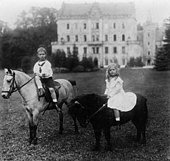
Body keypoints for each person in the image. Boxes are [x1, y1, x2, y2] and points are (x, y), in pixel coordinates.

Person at [33, 46, 60, 112]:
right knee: (36, 78)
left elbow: (48, 72)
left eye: (43, 54)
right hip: (40, 79)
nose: (42, 56)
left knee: (51, 89)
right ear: (38, 55)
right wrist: (36, 74)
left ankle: (55, 102)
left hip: (48, 79)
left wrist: (43, 74)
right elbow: (35, 71)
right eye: (40, 54)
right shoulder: (36, 64)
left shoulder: (47, 63)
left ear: (45, 55)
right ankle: (40, 88)